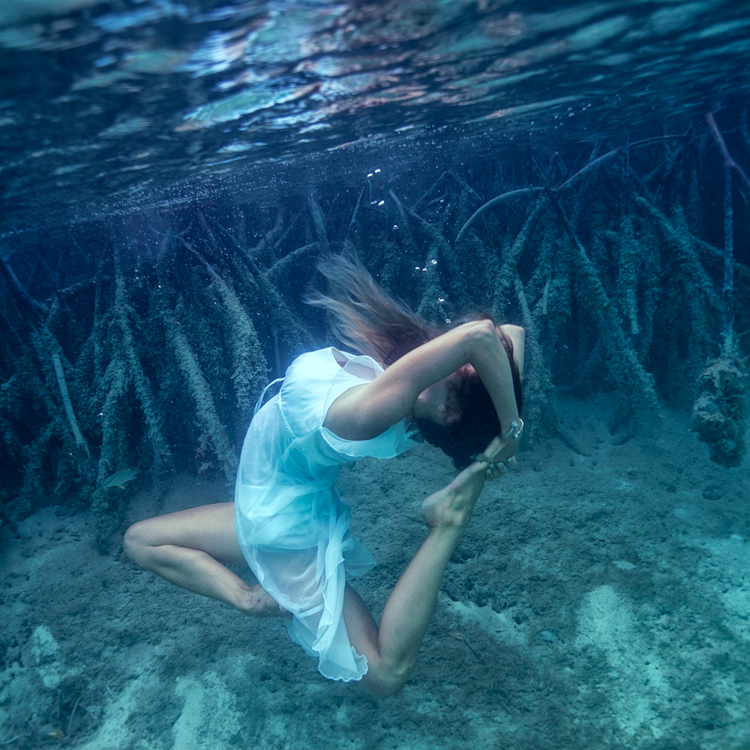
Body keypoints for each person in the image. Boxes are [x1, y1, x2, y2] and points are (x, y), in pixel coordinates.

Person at [124, 256, 524, 696]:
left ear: (448, 410)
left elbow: (482, 337)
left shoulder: (373, 411)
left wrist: (511, 431)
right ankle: (245, 597)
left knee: (386, 673)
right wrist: (505, 428)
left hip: (284, 529)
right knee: (139, 539)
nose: (443, 357)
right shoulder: (417, 403)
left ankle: (447, 521)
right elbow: (511, 334)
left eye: (458, 376)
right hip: (272, 506)